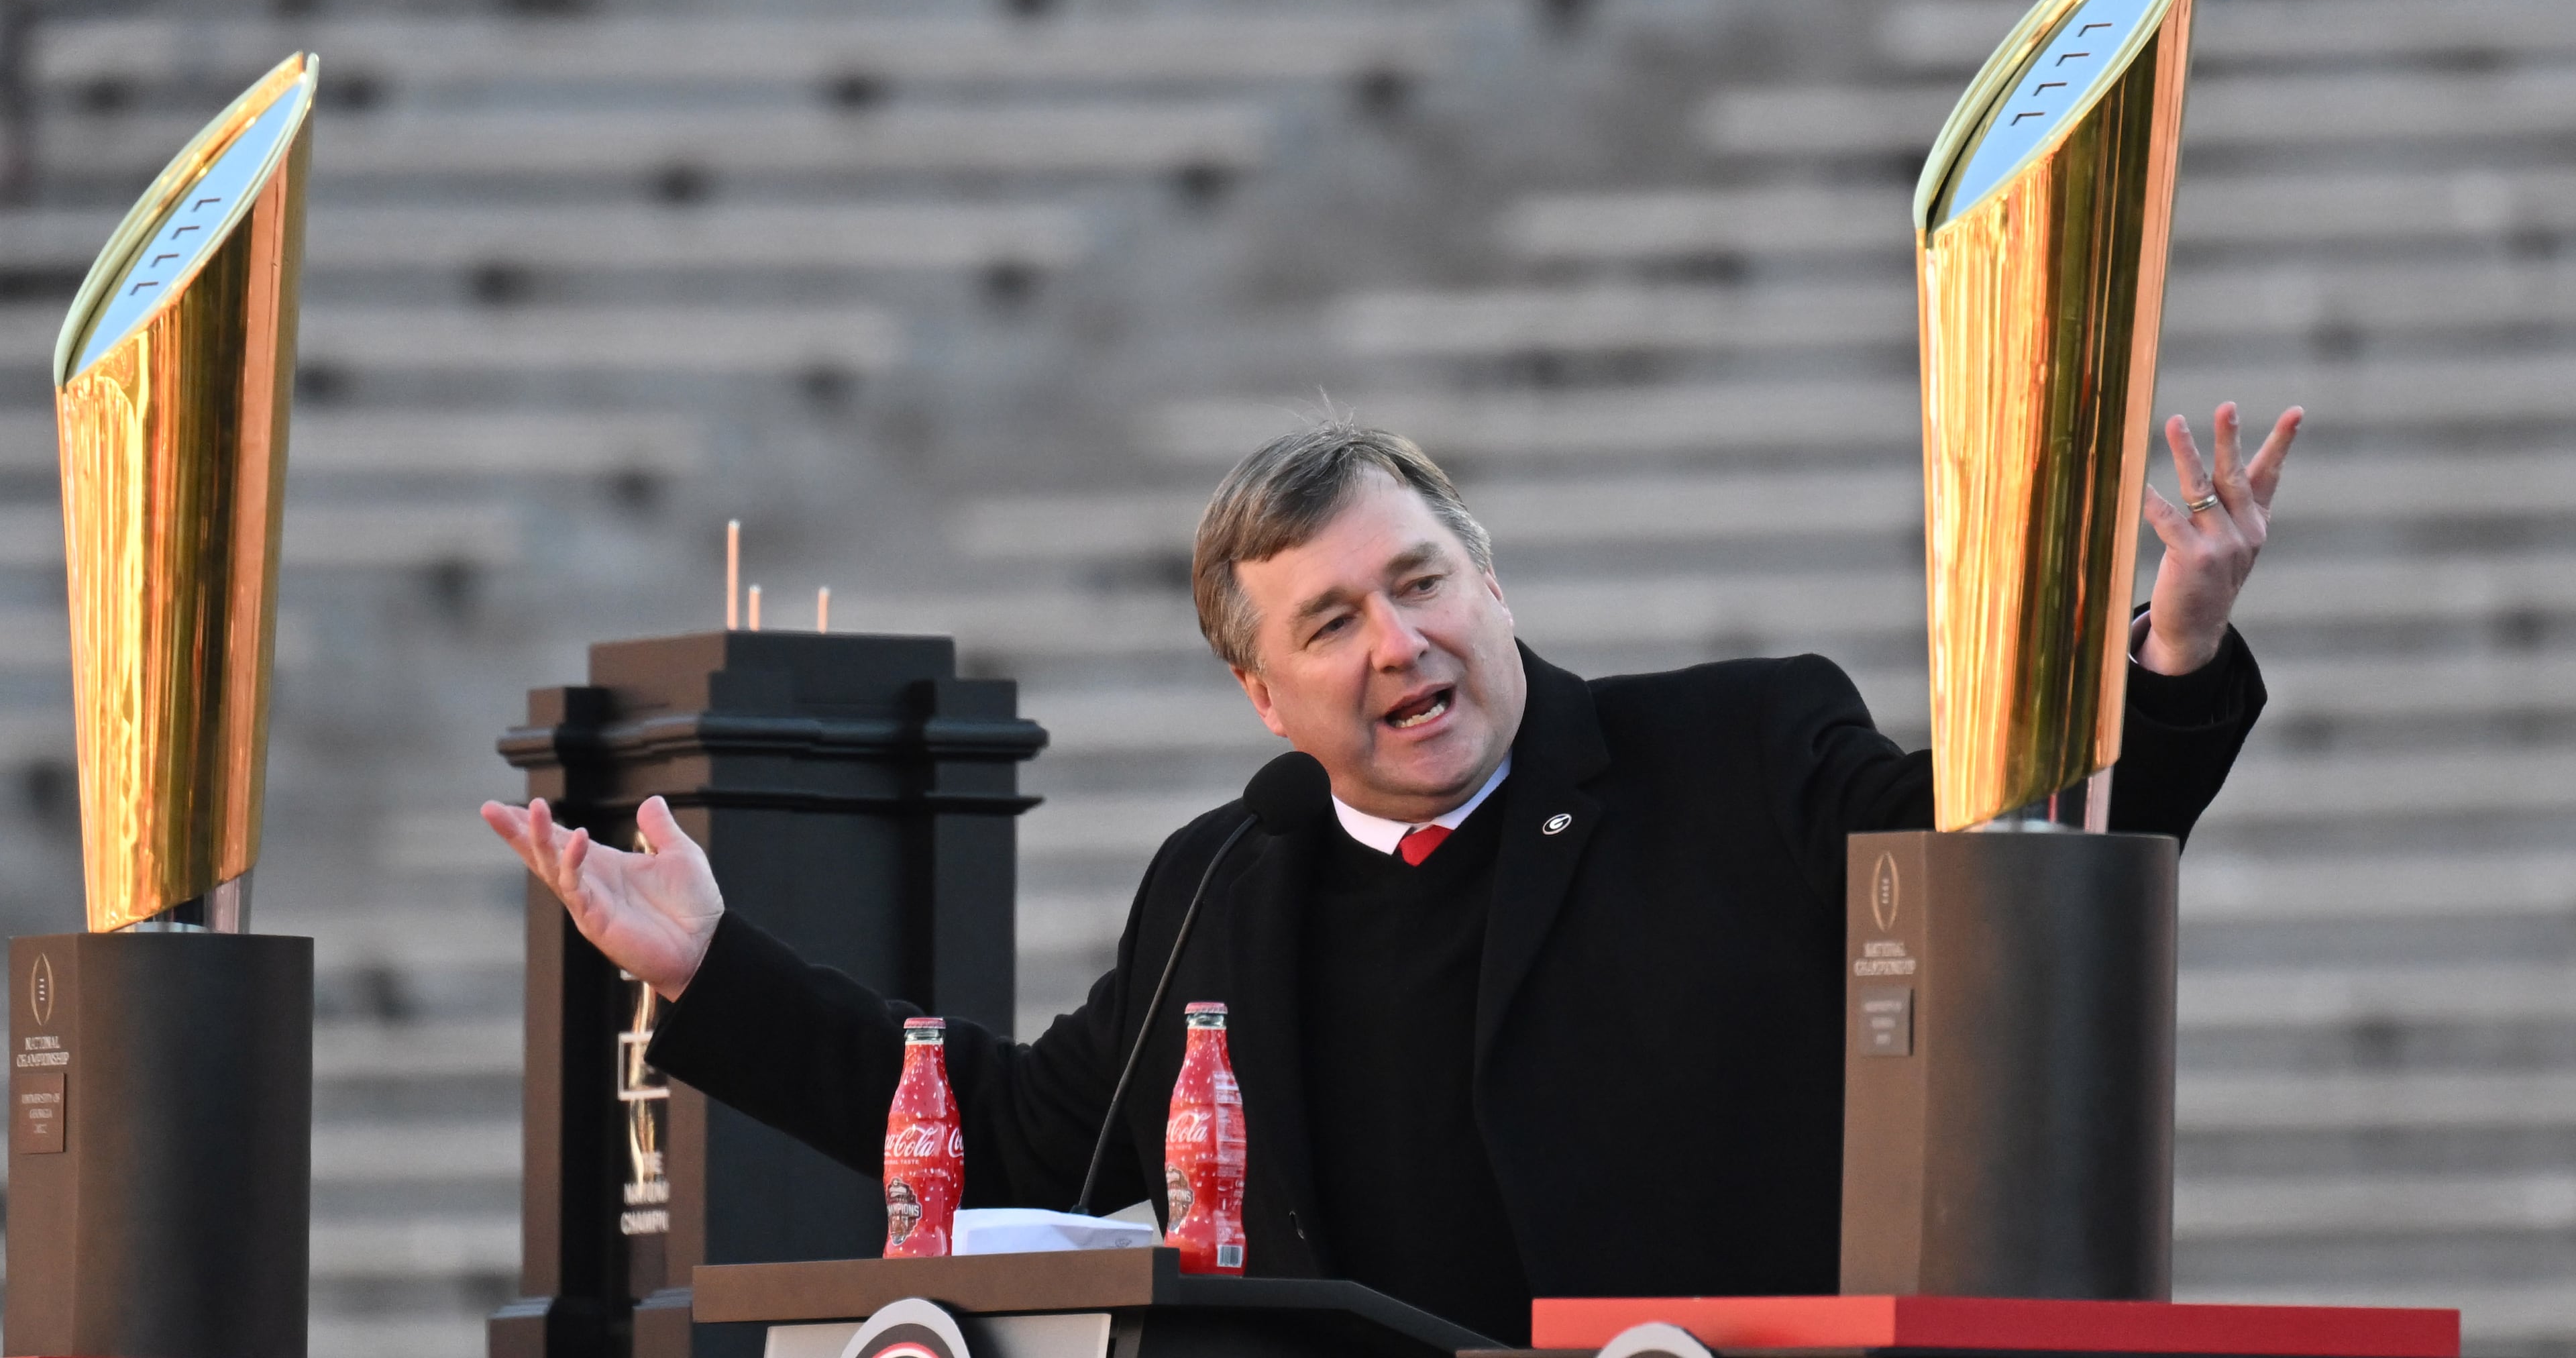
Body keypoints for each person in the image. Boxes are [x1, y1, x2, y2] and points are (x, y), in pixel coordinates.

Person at [484, 405, 2299, 1345]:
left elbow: (2001, 878)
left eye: (1421, 582)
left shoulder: (1738, 749)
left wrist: (2172, 663)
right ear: (1262, 690)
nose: (1400, 645)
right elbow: (1034, 1142)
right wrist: (716, 975)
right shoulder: (1228, 880)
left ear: (1490, 581)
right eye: (1334, 622)